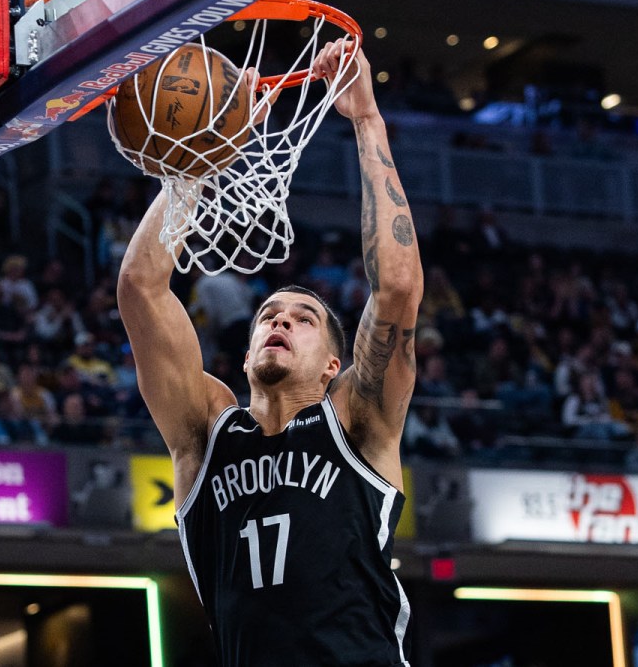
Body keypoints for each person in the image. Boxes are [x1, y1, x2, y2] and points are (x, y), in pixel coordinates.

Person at [118, 41, 421, 666]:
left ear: (334, 366)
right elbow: (141, 289)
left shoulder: (356, 426)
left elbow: (395, 288)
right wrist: (202, 156)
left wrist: (367, 120)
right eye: (268, 315)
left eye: (304, 318)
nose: (280, 319)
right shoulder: (206, 431)